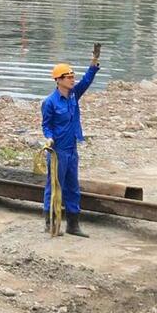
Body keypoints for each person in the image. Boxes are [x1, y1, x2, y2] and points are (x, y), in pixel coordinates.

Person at [41, 42, 102, 237]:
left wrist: (94, 62)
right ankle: (51, 223)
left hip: (72, 149)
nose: (72, 80)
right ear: (58, 80)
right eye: (69, 77)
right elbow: (46, 125)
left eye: (72, 76)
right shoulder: (50, 102)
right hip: (58, 151)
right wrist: (49, 138)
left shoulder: (74, 95)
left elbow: (87, 80)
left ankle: (73, 225)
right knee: (54, 187)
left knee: (73, 187)